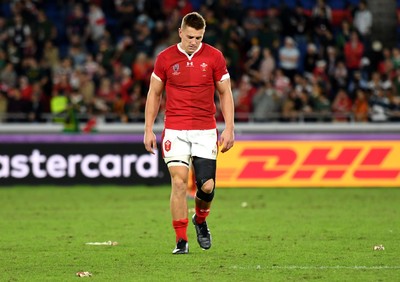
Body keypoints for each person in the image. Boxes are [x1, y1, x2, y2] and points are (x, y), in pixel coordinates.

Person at [143, 12, 235, 255]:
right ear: (180, 32)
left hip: (205, 130)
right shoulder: (165, 58)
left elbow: (225, 93)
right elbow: (154, 93)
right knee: (179, 182)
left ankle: (200, 220)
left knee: (207, 187)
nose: (194, 41)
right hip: (175, 129)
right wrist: (148, 129)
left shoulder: (214, 56)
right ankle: (181, 241)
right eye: (191, 36)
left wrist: (230, 127)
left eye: (199, 37)